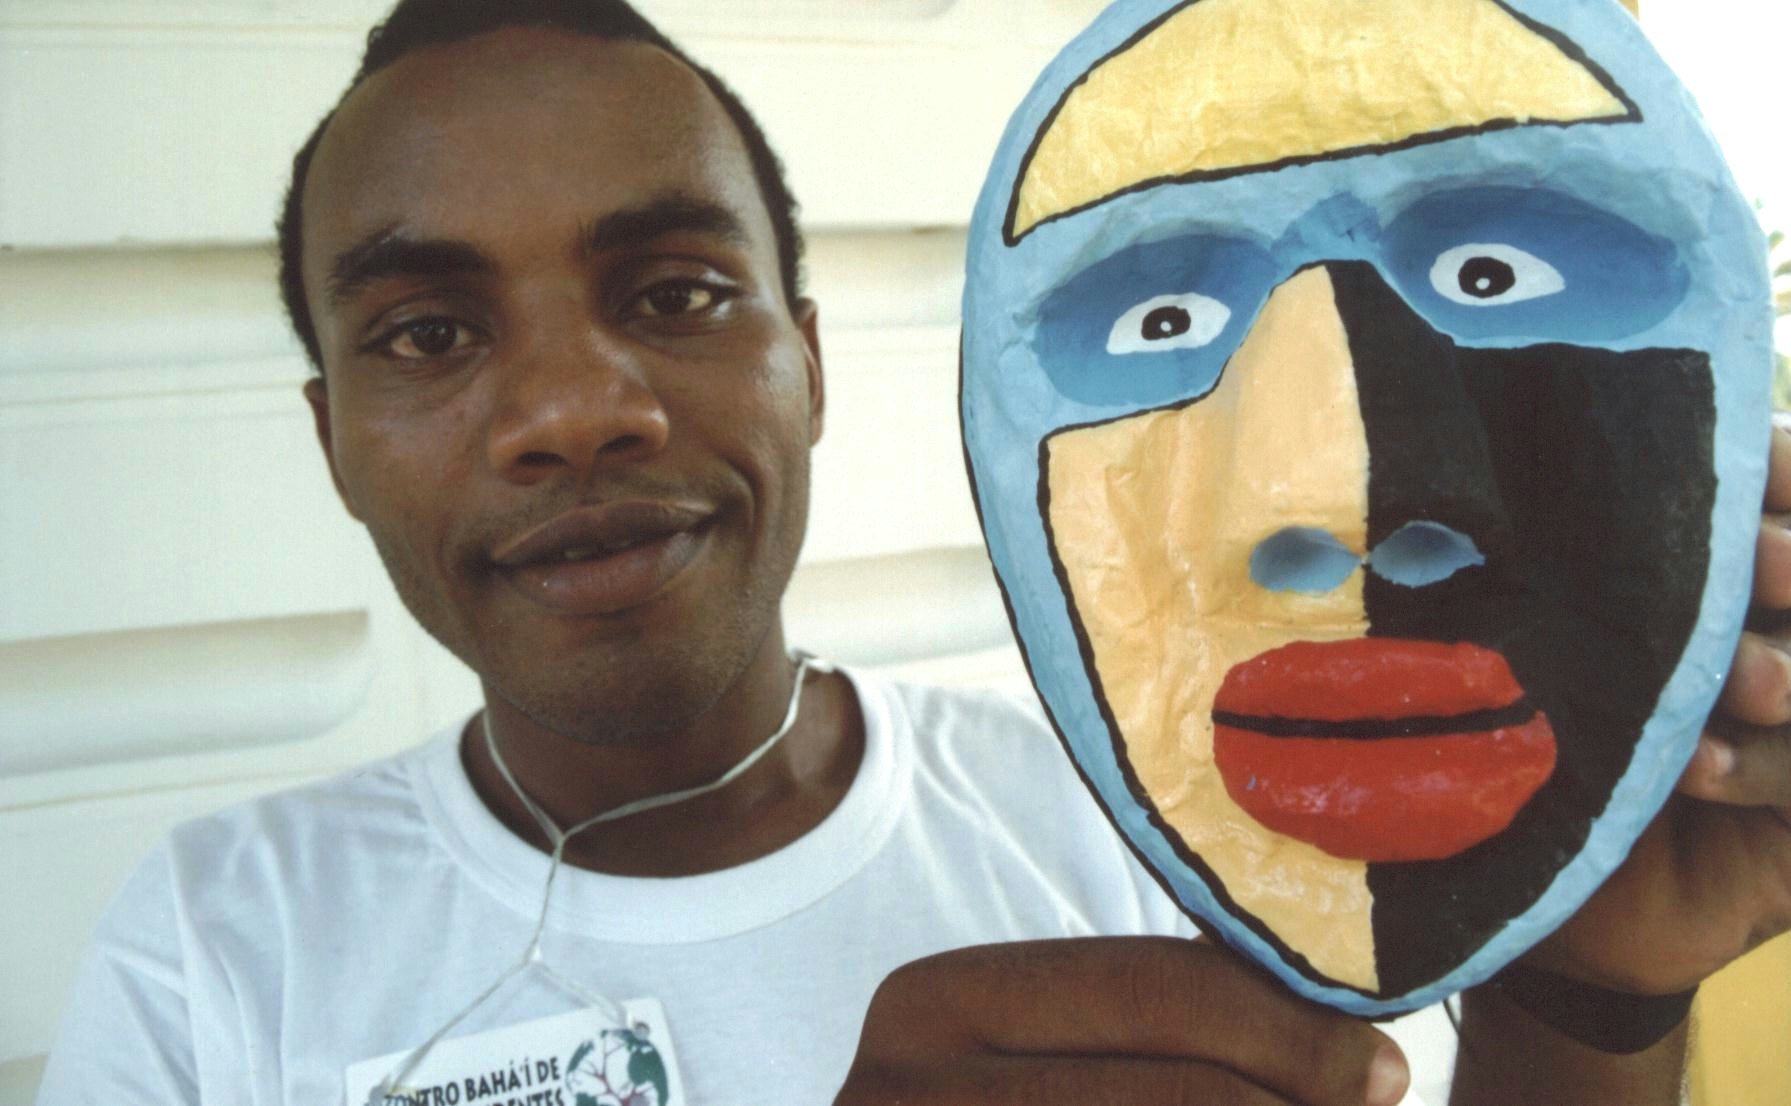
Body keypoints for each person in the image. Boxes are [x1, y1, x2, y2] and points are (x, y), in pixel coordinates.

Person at [35, 1, 1791, 1103]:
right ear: (328, 436)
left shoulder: (1151, 826)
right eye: (424, 333)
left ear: (811, 362)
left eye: (676, 292)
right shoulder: (210, 949)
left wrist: (1590, 999)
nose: (575, 407)